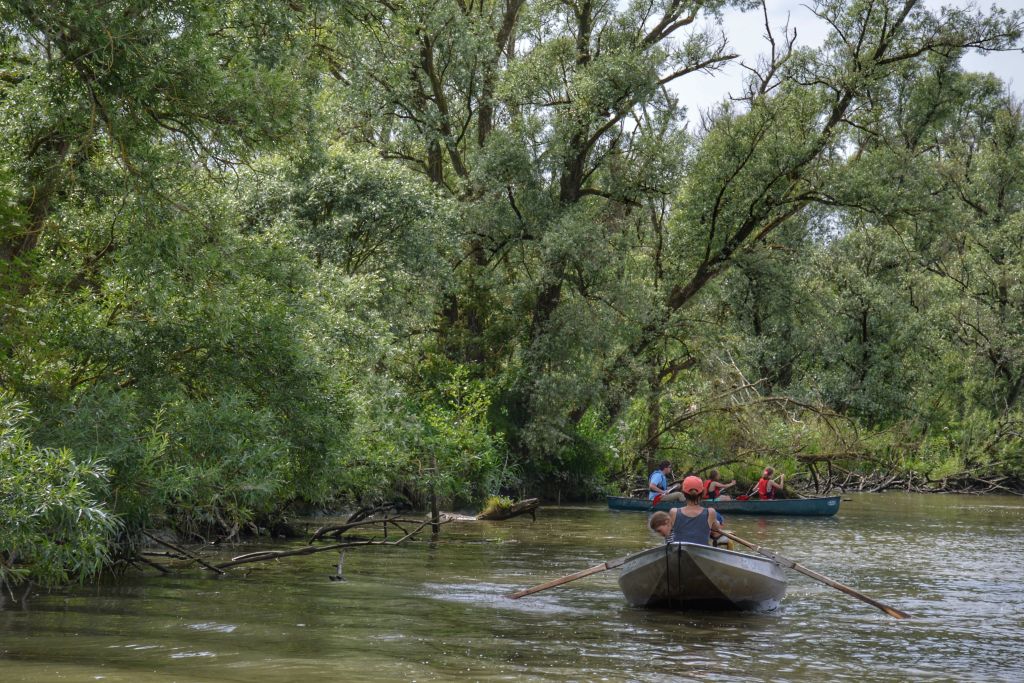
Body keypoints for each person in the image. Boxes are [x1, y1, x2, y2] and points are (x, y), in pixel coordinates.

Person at [665, 476, 722, 544]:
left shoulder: (673, 512)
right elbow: (716, 528)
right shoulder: (711, 512)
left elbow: (667, 534)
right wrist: (717, 523)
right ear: (703, 492)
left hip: (679, 552)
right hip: (701, 552)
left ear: (683, 493)